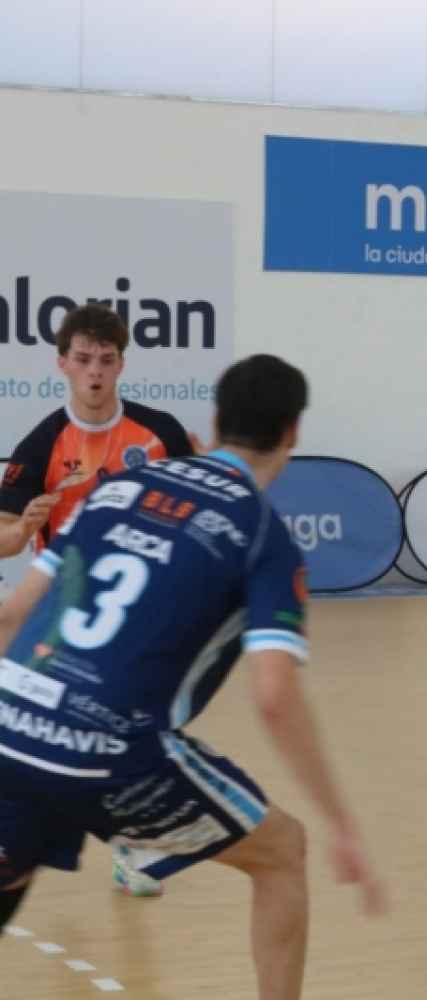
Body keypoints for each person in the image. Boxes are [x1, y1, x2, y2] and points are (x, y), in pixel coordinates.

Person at [0, 354, 385, 999]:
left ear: (215, 419)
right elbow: (274, 697)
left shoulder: (115, 490)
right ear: (293, 432)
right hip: (112, 752)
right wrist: (343, 825)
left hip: (12, 720)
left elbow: (13, 616)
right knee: (283, 851)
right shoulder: (263, 535)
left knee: (12, 867)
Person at [0, 302, 200, 897]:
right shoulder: (40, 445)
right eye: (84, 359)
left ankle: (130, 850)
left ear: (121, 365)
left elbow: (198, 512)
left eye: (106, 360)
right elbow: (4, 540)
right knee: (47, 735)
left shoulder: (160, 433)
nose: (95, 371)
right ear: (62, 363)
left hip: (144, 614)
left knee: (131, 732)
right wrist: (22, 527)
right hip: (61, 617)